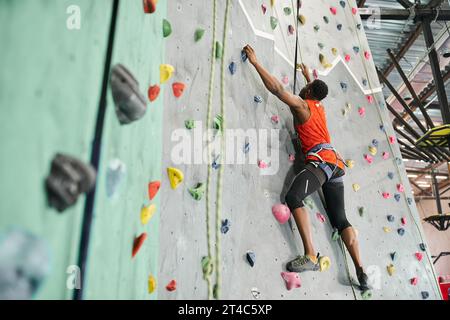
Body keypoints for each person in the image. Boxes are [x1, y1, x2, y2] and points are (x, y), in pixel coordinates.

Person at [243, 45, 369, 290]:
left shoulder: (303, 105)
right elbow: (315, 92)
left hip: (321, 162)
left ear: (308, 92)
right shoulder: (320, 107)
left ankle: (311, 255)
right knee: (341, 219)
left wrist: (256, 62)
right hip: (335, 164)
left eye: (305, 89)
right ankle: (361, 269)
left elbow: (278, 90)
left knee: (293, 196)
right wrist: (307, 76)